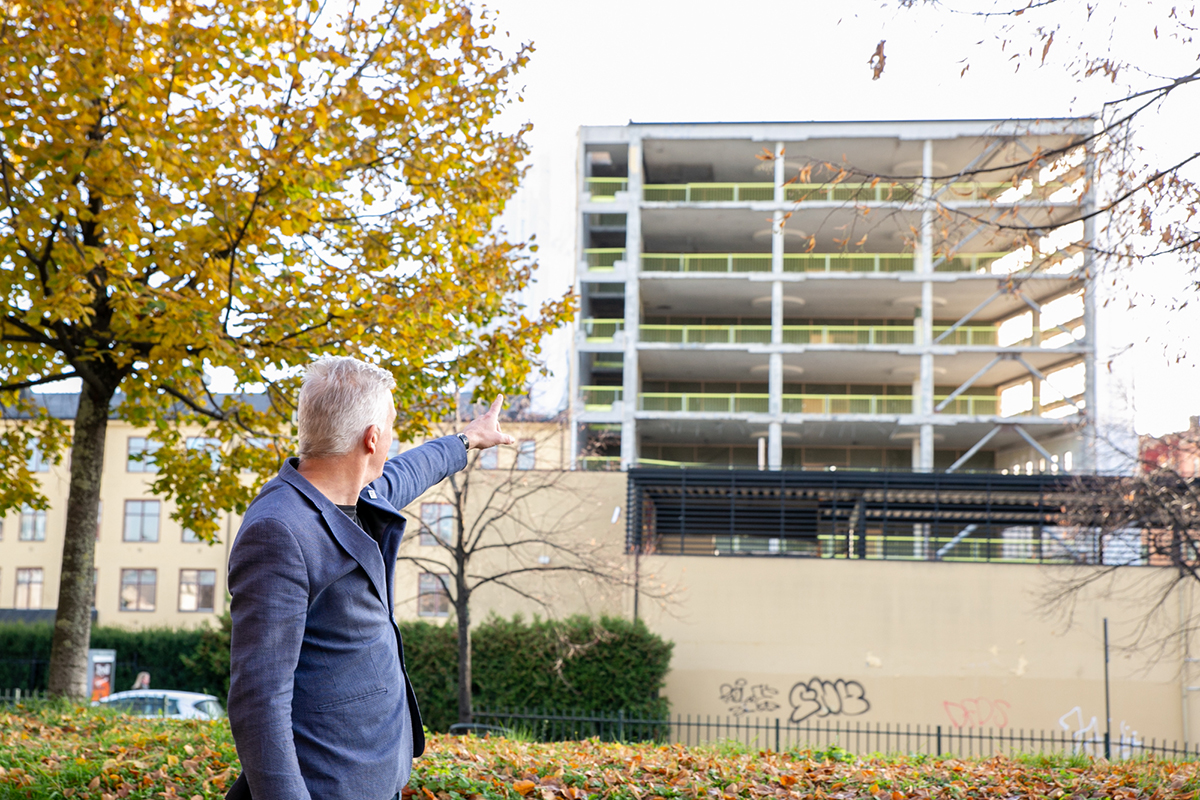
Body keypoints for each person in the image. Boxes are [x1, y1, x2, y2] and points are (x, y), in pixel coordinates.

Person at [226, 357, 513, 800]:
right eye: (391, 427)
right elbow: (258, 699)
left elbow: (409, 471)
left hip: (373, 774)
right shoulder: (278, 529)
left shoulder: (357, 493)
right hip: (327, 784)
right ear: (372, 438)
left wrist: (468, 439)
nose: (391, 441)